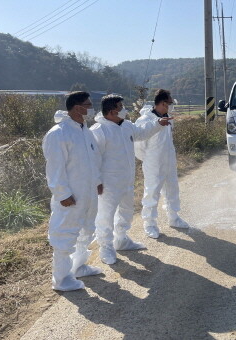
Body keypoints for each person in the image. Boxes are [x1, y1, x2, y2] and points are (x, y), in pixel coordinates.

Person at [42, 91, 103, 291]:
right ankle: (61, 279)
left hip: (88, 193)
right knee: (65, 235)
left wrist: (98, 181)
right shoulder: (58, 133)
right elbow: (54, 168)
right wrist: (62, 194)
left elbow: (93, 161)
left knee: (86, 230)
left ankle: (79, 266)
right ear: (78, 107)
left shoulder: (85, 130)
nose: (91, 108)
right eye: (88, 104)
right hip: (71, 196)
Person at [90, 94, 161, 265]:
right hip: (108, 184)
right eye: (121, 106)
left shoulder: (127, 126)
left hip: (127, 180)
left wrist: (158, 124)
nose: (124, 109)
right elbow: (93, 159)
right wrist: (97, 181)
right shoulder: (99, 130)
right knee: (105, 216)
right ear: (112, 111)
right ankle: (106, 247)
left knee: (126, 211)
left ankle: (121, 240)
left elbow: (142, 134)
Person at [134, 89, 189, 239]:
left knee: (172, 188)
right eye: (170, 103)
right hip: (153, 162)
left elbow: (168, 139)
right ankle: (149, 223)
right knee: (152, 191)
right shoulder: (145, 120)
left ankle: (174, 217)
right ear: (163, 103)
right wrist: (149, 159)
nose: (172, 106)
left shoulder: (168, 118)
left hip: (169, 160)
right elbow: (138, 145)